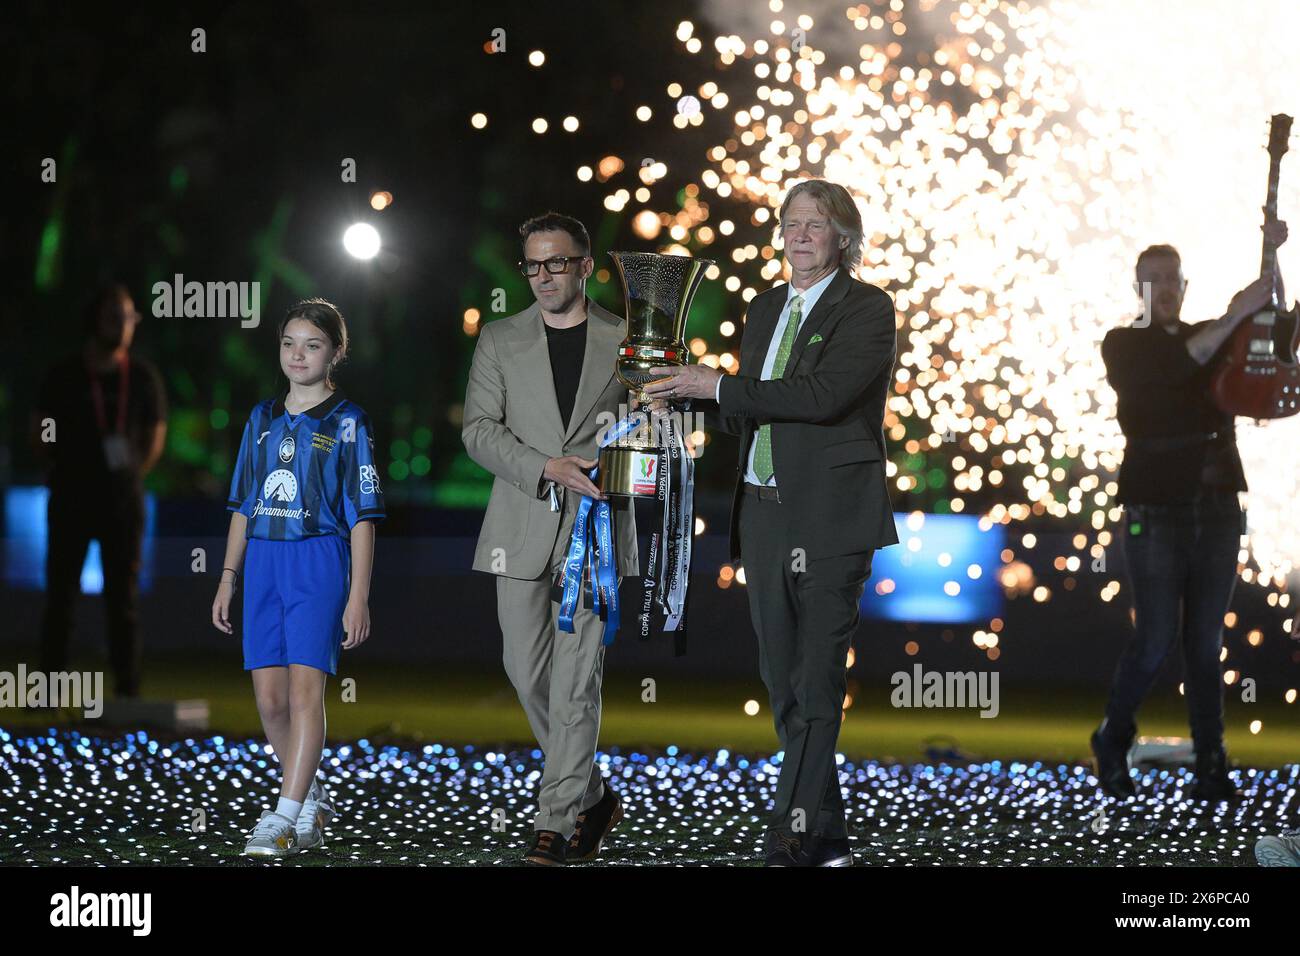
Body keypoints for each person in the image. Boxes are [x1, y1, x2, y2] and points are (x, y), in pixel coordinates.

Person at [645, 179, 900, 866]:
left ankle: (788, 835)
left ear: (843, 237)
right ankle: (827, 831)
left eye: (817, 224)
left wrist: (718, 384)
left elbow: (820, 397)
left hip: (830, 518)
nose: (801, 234)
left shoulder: (869, 310)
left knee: (817, 681)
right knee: (783, 680)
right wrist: (682, 396)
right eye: (792, 222)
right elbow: (746, 410)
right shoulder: (764, 310)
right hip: (760, 514)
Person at [462, 212, 638, 866]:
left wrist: (650, 429)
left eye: (556, 263)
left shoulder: (627, 339)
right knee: (525, 671)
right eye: (532, 265)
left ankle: (555, 820)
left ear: (585, 266)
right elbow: (478, 431)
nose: (542, 276)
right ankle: (592, 793)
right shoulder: (500, 339)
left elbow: (651, 427)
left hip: (596, 525)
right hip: (521, 522)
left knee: (576, 681)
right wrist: (545, 467)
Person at [1092, 220, 1288, 803]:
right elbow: (1180, 363)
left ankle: (1210, 762)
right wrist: (1233, 315)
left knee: (1205, 644)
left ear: (1185, 283)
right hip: (1154, 510)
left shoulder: (1210, 336)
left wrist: (1272, 259)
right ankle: (1114, 736)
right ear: (1137, 288)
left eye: (1172, 279)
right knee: (1154, 639)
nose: (1165, 289)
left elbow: (1266, 325)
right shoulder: (1124, 345)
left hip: (1218, 507)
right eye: (1153, 280)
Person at [212, 298, 384, 857]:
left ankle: (284, 816)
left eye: (312, 344)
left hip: (318, 561)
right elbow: (243, 503)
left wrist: (358, 595)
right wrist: (228, 576)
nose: (297, 354)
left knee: (306, 690)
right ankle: (309, 797)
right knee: (270, 700)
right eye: (289, 342)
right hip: (263, 562)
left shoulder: (350, 421)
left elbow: (362, 515)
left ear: (336, 352)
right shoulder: (261, 418)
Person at [34, 283, 168, 699]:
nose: (125, 325)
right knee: (61, 596)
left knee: (122, 599)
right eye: (116, 315)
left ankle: (128, 691)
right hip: (71, 496)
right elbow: (40, 427)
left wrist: (129, 474)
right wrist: (57, 461)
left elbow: (154, 436)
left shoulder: (142, 376)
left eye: (130, 317)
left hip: (122, 503)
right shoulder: (65, 373)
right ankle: (49, 692)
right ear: (94, 319)